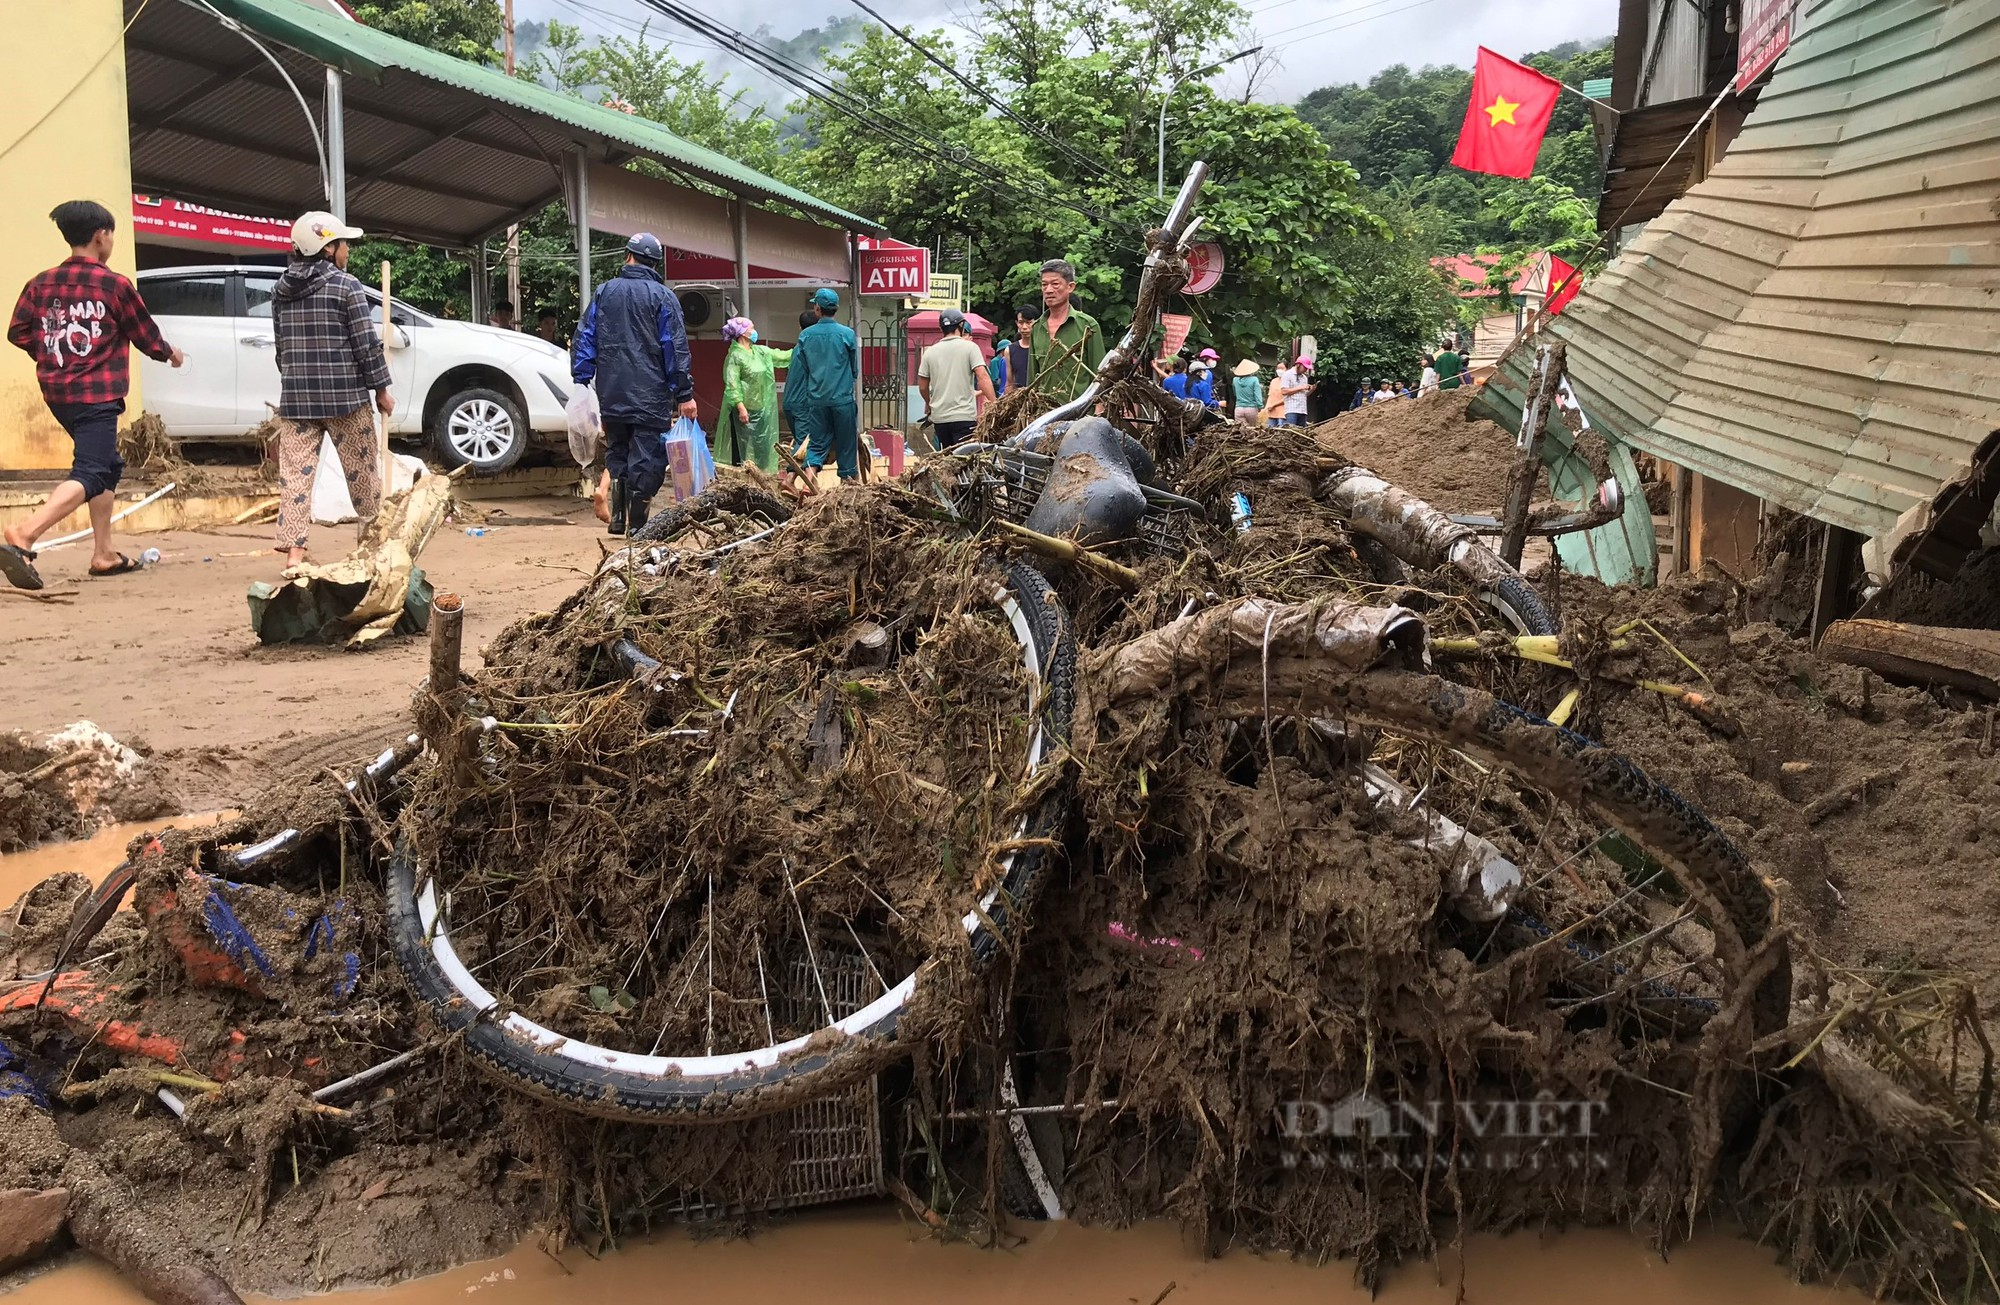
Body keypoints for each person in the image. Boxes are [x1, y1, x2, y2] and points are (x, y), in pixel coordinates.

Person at [2, 200, 184, 589]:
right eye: (112, 234)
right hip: (96, 394)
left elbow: (17, 332)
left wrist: (55, 355)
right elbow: (146, 336)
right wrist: (171, 354)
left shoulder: (40, 283)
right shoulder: (113, 285)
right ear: (101, 236)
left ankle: (103, 554)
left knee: (107, 464)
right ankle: (25, 534)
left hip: (56, 392)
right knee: (92, 470)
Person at [268, 211, 396, 568]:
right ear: (327, 249)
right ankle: (371, 546)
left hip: (296, 399)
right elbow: (366, 344)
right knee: (363, 473)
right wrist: (381, 389)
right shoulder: (345, 286)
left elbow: (281, 350)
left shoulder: (280, 291)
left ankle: (295, 553)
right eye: (343, 244)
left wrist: (295, 378)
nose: (347, 251)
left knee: (295, 476)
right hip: (345, 399)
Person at [572, 232, 696, 534]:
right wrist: (684, 392)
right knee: (647, 457)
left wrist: (581, 379)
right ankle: (638, 527)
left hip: (612, 392)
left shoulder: (604, 292)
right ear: (655, 263)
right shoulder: (662, 296)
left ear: (628, 256)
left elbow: (585, 337)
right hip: (649, 394)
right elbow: (675, 346)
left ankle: (617, 520)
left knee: (618, 451)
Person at [787, 287, 861, 482]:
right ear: (835, 308)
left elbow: (804, 367)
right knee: (846, 444)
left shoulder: (805, 336)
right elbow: (854, 369)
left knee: (817, 443)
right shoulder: (847, 334)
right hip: (842, 400)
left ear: (817, 308)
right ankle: (848, 486)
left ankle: (807, 483)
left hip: (817, 400)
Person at [719, 316, 792, 473]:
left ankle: (761, 476)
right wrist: (741, 407)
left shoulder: (759, 352)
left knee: (763, 447)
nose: (754, 331)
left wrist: (802, 347)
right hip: (743, 410)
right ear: (743, 333)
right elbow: (733, 384)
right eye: (751, 328)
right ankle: (742, 478)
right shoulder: (735, 356)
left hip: (761, 408)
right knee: (741, 447)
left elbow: (782, 356)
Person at [917, 307, 994, 450]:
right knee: (963, 460)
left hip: (940, 419)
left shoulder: (929, 352)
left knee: (946, 461)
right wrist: (995, 404)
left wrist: (928, 403)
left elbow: (922, 386)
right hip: (964, 417)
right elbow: (982, 376)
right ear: (961, 325)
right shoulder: (970, 348)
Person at [1027, 259, 1103, 404]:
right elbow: (1032, 379)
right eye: (1044, 285)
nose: (1048, 290)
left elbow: (1100, 375)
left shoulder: (1088, 325)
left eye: (1055, 284)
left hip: (1079, 415)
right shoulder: (1036, 328)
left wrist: (1098, 410)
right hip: (1044, 415)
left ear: (1070, 287)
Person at [1275, 357, 1314, 427]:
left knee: (1301, 432)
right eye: (1304, 367)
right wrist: (1300, 387)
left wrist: (1311, 390)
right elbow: (1284, 391)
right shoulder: (1287, 375)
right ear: (1298, 365)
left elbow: (1304, 394)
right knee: (1291, 430)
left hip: (1302, 410)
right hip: (1292, 409)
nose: (1306, 370)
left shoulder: (1304, 378)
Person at [1231, 359, 1264, 427]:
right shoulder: (1254, 379)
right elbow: (1257, 396)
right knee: (1254, 430)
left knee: (1242, 431)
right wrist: (1260, 406)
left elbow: (1235, 393)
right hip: (1251, 409)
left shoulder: (1235, 380)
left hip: (1238, 408)